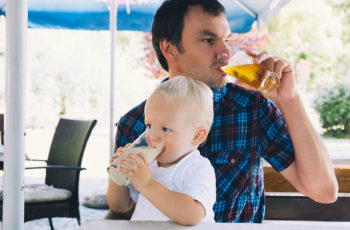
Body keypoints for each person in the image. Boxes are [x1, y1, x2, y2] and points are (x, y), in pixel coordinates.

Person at [107, 0, 338, 223]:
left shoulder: (252, 108)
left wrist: (290, 100)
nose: (225, 52)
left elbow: (324, 192)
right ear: (169, 48)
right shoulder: (134, 122)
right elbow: (124, 210)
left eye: (226, 39)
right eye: (208, 40)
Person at [107, 76, 216, 225]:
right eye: (149, 126)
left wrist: (147, 184)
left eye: (165, 129)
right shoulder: (148, 165)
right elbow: (120, 207)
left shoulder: (198, 168)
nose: (153, 136)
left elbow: (192, 215)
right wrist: (119, 176)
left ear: (197, 136)